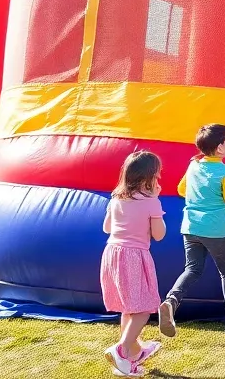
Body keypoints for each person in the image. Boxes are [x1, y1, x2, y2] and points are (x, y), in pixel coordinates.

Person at [157, 124, 225, 337]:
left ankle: (171, 300)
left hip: (190, 227)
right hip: (215, 230)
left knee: (192, 269)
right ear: (220, 148)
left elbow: (181, 189)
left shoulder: (194, 165)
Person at [100, 150, 166, 377]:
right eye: (157, 175)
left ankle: (131, 354)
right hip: (134, 256)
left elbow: (106, 228)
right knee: (144, 306)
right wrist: (156, 205)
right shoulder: (151, 202)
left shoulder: (116, 198)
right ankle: (122, 349)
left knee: (129, 306)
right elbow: (159, 235)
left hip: (112, 254)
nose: (159, 179)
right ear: (148, 177)